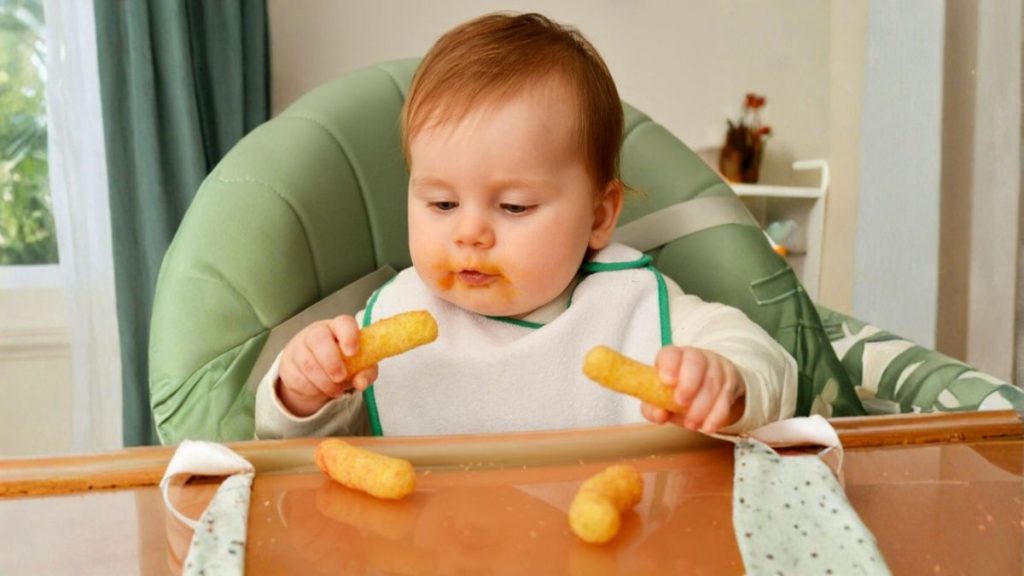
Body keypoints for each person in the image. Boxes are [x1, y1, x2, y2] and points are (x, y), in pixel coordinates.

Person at [256, 12, 796, 439]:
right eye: (442, 203)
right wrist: (301, 390)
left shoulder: (631, 305)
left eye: (513, 207)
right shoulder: (394, 315)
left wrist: (726, 384)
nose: (470, 233)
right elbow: (296, 445)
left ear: (599, 216)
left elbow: (773, 369)